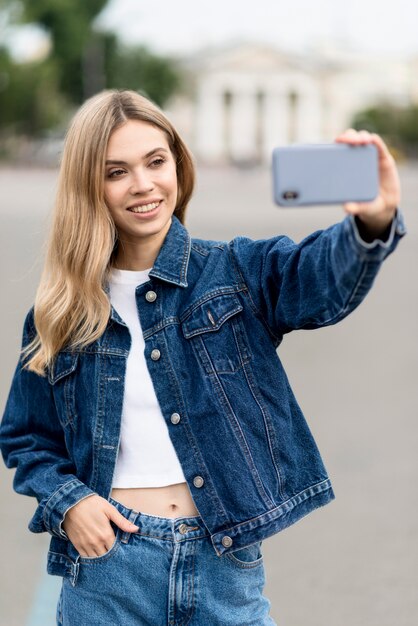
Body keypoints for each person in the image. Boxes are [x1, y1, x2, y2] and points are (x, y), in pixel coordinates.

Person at [0, 89, 405, 626]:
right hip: (109, 570)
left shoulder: (234, 270)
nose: (143, 184)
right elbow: (26, 437)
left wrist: (369, 226)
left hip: (224, 564)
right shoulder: (61, 312)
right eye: (116, 171)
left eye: (155, 162)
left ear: (178, 166)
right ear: (88, 186)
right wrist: (69, 502)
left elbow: (317, 280)